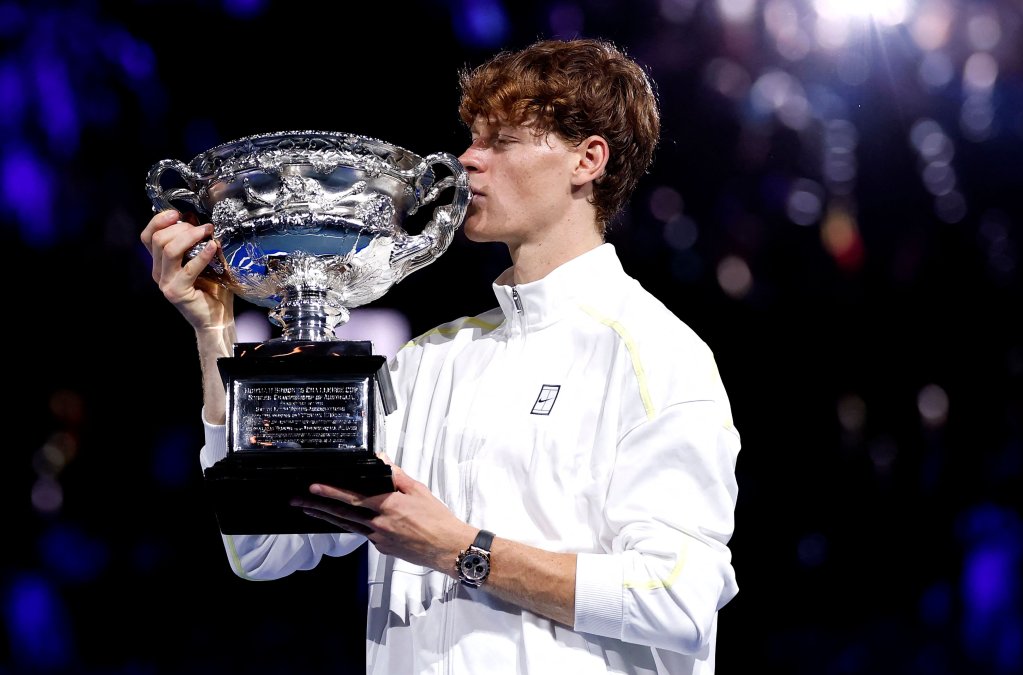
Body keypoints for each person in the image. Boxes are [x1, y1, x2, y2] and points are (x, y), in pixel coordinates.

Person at [141, 37, 740, 674]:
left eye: (501, 141)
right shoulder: (425, 363)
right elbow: (262, 548)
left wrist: (461, 549)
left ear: (587, 160)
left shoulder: (655, 351)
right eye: (471, 137)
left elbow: (678, 600)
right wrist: (215, 336)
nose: (467, 160)